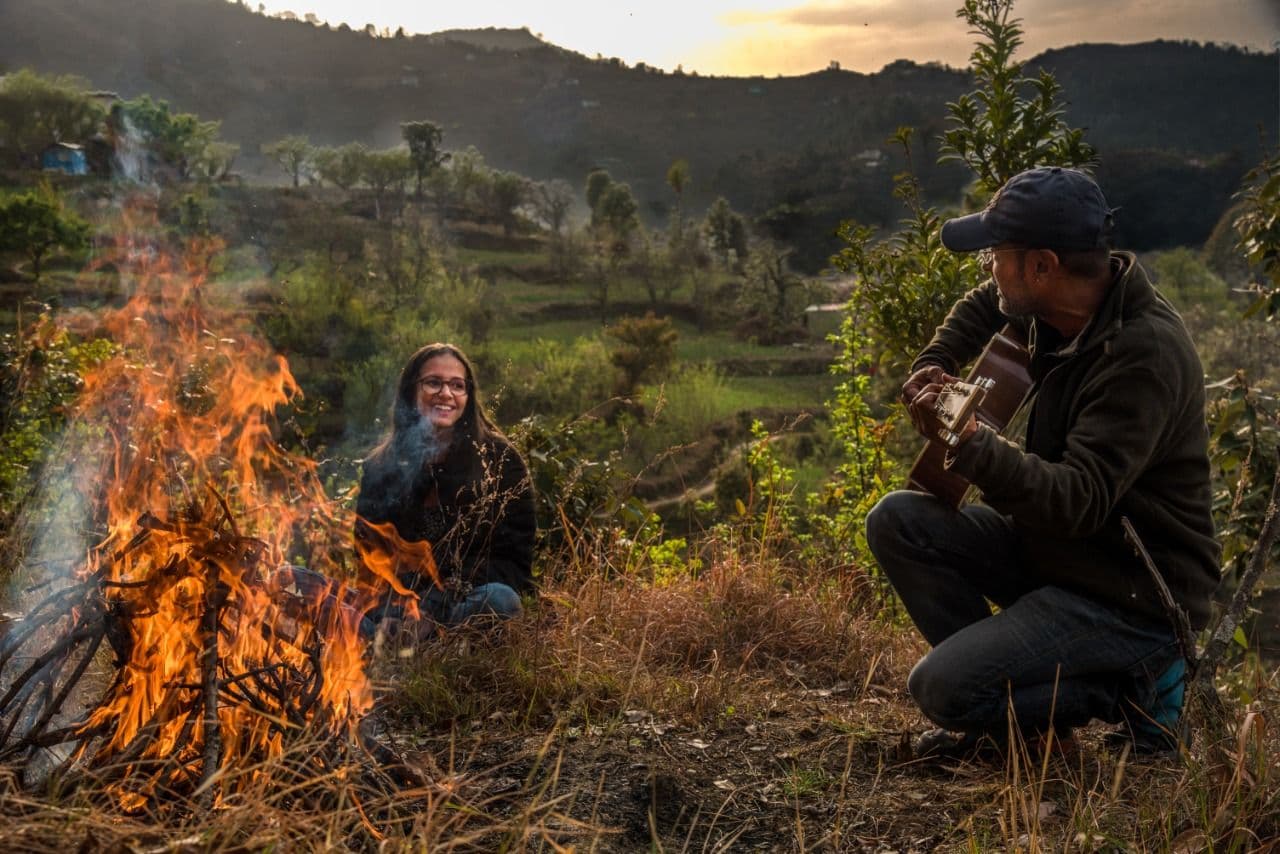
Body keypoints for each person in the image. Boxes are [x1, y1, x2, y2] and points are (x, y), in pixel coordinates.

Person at [865, 166, 1219, 758]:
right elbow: (986, 303)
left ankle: (1127, 687)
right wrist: (936, 360)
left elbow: (1076, 501)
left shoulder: (1143, 356)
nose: (988, 268)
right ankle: (1012, 714)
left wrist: (970, 443)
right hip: (1061, 556)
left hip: (1128, 595)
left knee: (942, 688)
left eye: (994, 255)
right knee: (898, 521)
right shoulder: (1061, 302)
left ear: (1041, 266)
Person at [356, 342, 536, 632]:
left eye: (457, 385)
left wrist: (435, 607)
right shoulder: (381, 466)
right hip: (399, 605)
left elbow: (513, 561)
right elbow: (369, 557)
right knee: (298, 580)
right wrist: (397, 609)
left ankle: (419, 640)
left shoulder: (501, 461)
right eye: (433, 383)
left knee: (500, 600)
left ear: (468, 395)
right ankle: (390, 638)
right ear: (412, 391)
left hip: (463, 603)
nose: (446, 393)